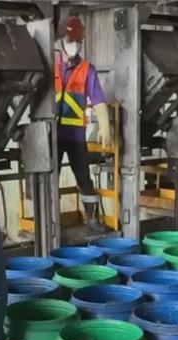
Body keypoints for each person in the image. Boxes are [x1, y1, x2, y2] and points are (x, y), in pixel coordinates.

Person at [55, 15, 113, 232]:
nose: (74, 47)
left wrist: (105, 124)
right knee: (51, 179)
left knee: (84, 177)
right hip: (52, 134)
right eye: (70, 42)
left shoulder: (87, 69)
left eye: (77, 42)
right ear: (61, 41)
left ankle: (91, 220)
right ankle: (52, 221)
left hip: (75, 135)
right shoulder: (51, 65)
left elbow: (98, 99)